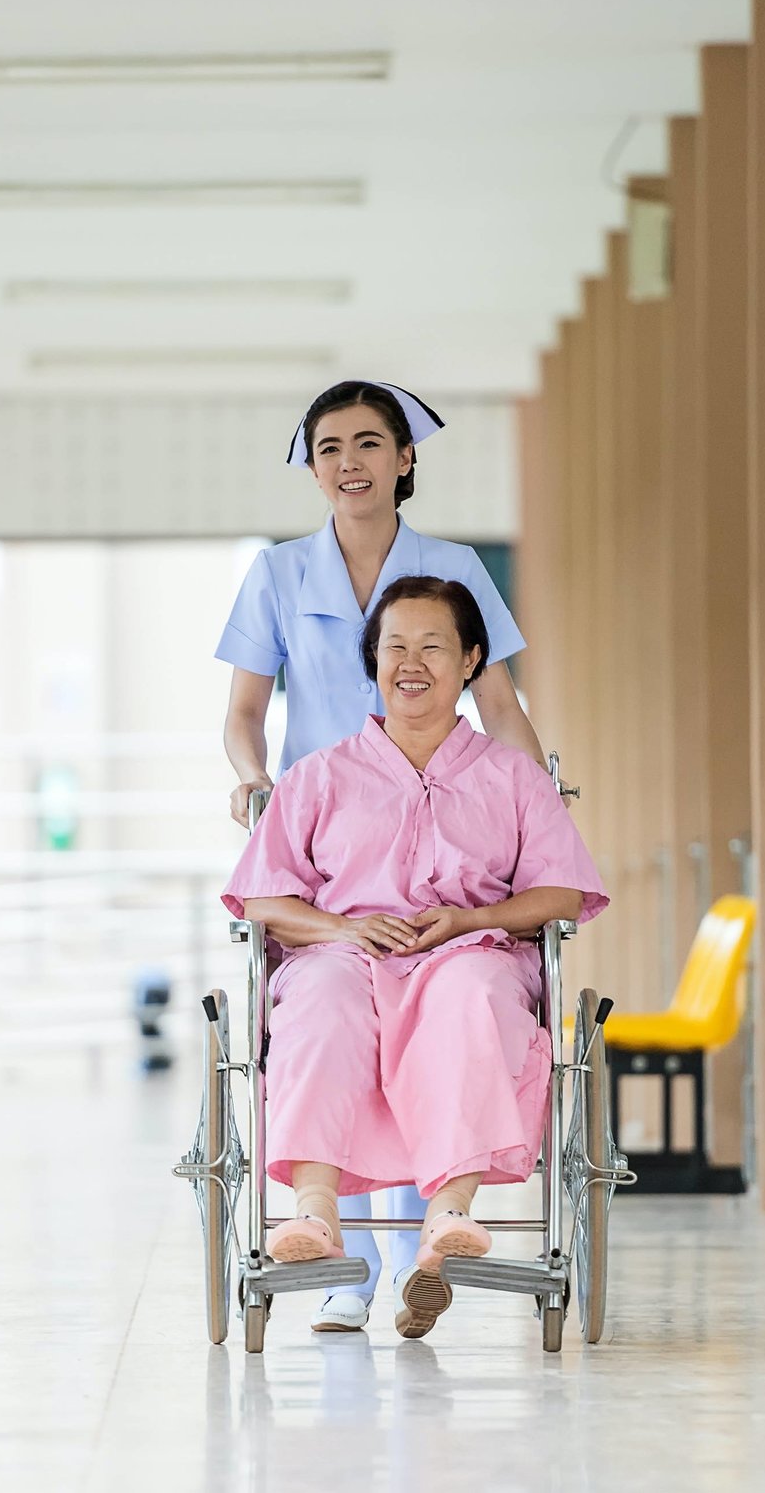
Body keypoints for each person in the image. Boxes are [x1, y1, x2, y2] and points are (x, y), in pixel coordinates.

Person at [217, 380, 550, 1337]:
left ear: (407, 459)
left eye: (370, 443)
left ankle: (413, 1260)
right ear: (312, 465)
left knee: (438, 1006)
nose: (350, 462)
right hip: (330, 836)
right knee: (338, 1012)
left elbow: (499, 700)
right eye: (330, 447)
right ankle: (343, 1269)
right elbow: (245, 718)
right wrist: (253, 785)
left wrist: (529, 801)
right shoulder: (278, 575)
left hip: (443, 823)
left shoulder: (452, 566)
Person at [222, 577, 606, 1340]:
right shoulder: (320, 776)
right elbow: (262, 899)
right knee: (321, 999)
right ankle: (315, 1212)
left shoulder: (512, 778)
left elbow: (562, 894)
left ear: (470, 661)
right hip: (343, 949)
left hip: (468, 946)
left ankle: (449, 1214)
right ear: (372, 662)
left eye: (433, 645)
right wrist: (339, 929)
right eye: (394, 645)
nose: (411, 662)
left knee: (472, 993)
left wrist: (474, 916)